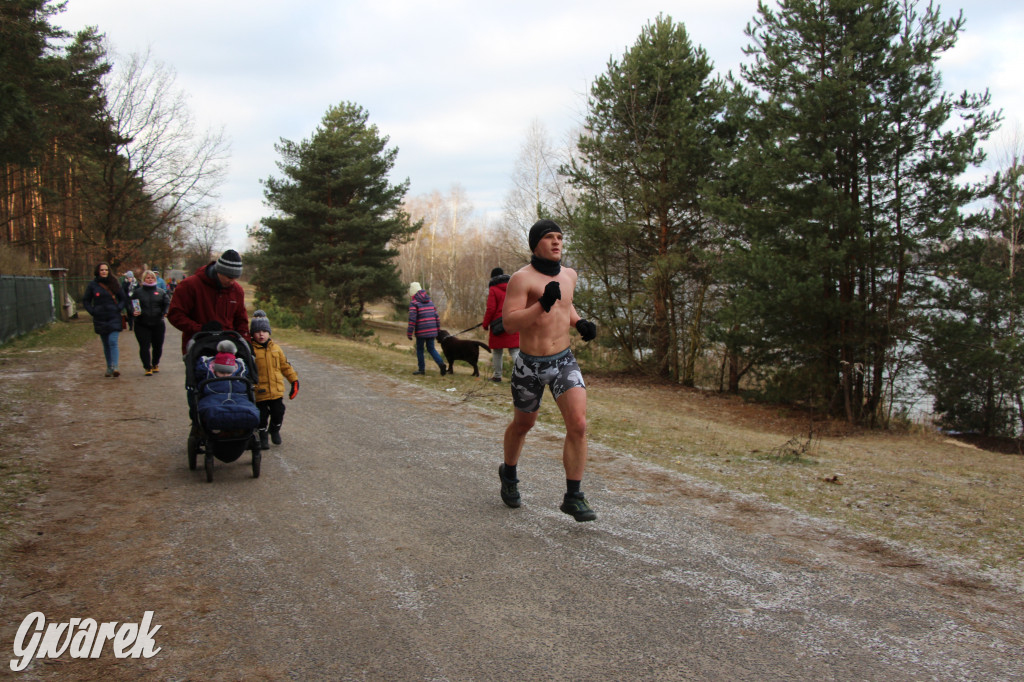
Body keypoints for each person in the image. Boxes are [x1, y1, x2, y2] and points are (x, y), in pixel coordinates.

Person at [498, 219, 599, 522]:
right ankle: (509, 473)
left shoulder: (569, 275)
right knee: (523, 425)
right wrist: (542, 303)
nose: (557, 242)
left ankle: (573, 495)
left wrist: (578, 322)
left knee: (578, 424)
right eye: (549, 238)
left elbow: (564, 305)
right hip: (529, 365)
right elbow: (510, 322)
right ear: (535, 244)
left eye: (559, 237)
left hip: (562, 362)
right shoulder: (522, 278)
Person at [168, 249, 249, 355]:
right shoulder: (190, 285)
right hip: (198, 346)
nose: (232, 281)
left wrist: (247, 345)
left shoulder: (237, 291)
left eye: (235, 278)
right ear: (219, 271)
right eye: (229, 277)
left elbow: (241, 320)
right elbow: (175, 315)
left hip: (228, 348)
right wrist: (201, 329)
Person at [249, 310, 300, 449]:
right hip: (259, 392)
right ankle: (263, 435)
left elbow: (285, 366)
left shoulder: (276, 349)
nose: (261, 334)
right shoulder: (250, 351)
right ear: (252, 333)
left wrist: (294, 381)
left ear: (269, 332)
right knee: (261, 416)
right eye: (257, 331)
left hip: (276, 391)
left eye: (264, 331)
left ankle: (275, 429)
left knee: (279, 411)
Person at [194, 340, 259, 432]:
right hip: (213, 399)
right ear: (214, 369)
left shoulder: (240, 374)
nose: (225, 375)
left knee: (251, 411)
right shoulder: (207, 375)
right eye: (221, 372)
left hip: (238, 398)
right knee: (209, 411)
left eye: (228, 372)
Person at [83, 262, 128, 377]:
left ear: (109, 271)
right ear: (98, 271)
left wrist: (118, 308)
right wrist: (93, 311)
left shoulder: (114, 283)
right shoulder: (93, 285)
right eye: (102, 270)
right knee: (106, 344)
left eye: (106, 270)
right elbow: (86, 300)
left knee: (113, 341)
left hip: (113, 317)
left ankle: (116, 366)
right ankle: (109, 366)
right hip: (100, 318)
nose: (104, 272)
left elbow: (123, 298)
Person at [481, 267, 520, 382]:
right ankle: (524, 376)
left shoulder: (493, 289)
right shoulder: (513, 287)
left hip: (498, 325)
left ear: (493, 277)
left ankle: (497, 376)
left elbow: (491, 308)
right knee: (514, 350)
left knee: (497, 351)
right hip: (513, 320)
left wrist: (485, 323)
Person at [130, 270, 170, 376]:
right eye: (147, 278)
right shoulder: (138, 292)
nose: (150, 279)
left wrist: (165, 311)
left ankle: (155, 363)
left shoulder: (161, 292)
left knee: (158, 346)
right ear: (144, 280)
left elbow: (166, 303)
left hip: (158, 323)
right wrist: (134, 311)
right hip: (142, 323)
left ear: (155, 279)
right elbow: (132, 304)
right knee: (144, 346)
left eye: (152, 278)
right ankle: (147, 367)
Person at [406, 282, 447, 376]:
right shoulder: (430, 301)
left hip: (421, 331)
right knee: (431, 348)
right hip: (432, 330)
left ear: (412, 292)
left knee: (420, 349)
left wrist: (409, 332)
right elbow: (436, 317)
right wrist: (437, 329)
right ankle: (441, 364)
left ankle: (421, 369)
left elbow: (412, 319)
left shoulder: (414, 303)